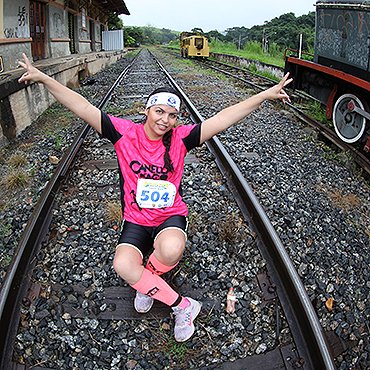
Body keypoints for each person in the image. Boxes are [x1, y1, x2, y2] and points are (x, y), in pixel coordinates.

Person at [18, 53, 292, 342]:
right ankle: (182, 305)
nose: (166, 120)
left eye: (172, 115)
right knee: (122, 265)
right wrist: (45, 78)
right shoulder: (124, 133)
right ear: (146, 111)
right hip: (135, 218)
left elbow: (222, 118)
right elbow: (83, 106)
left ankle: (148, 278)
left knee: (171, 249)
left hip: (169, 216)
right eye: (160, 112)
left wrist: (263, 95)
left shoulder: (182, 138)